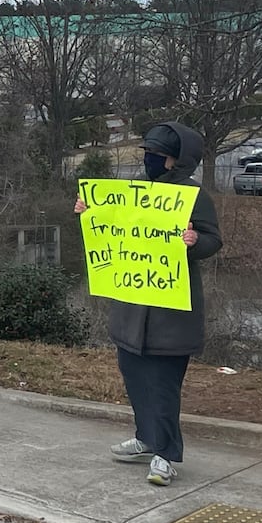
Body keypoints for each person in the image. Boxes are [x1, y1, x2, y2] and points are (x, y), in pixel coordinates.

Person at [76, 122, 223, 487]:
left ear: (176, 161)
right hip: (133, 303)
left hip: (171, 310)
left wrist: (194, 240)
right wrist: (88, 212)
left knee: (163, 382)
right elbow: (111, 227)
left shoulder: (193, 195)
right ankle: (146, 438)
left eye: (157, 156)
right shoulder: (134, 191)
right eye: (147, 154)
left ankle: (166, 454)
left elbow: (212, 240)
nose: (149, 161)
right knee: (134, 372)